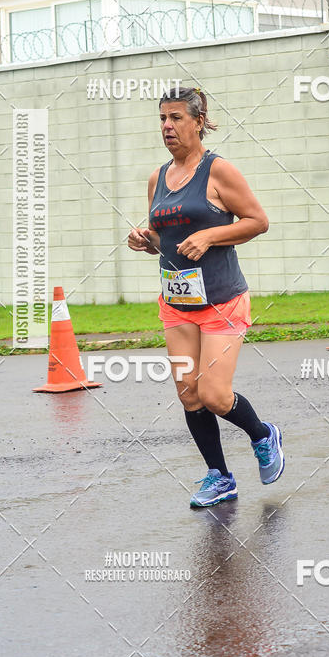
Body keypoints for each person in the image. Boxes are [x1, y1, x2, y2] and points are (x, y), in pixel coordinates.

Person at [128, 86, 285, 508]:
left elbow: (258, 221)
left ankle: (263, 435)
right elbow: (165, 236)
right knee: (189, 394)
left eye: (176, 118)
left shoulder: (219, 171)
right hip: (177, 302)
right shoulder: (157, 178)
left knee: (215, 394)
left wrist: (211, 235)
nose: (167, 126)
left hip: (221, 299)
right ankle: (220, 476)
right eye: (162, 118)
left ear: (199, 121)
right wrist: (147, 241)